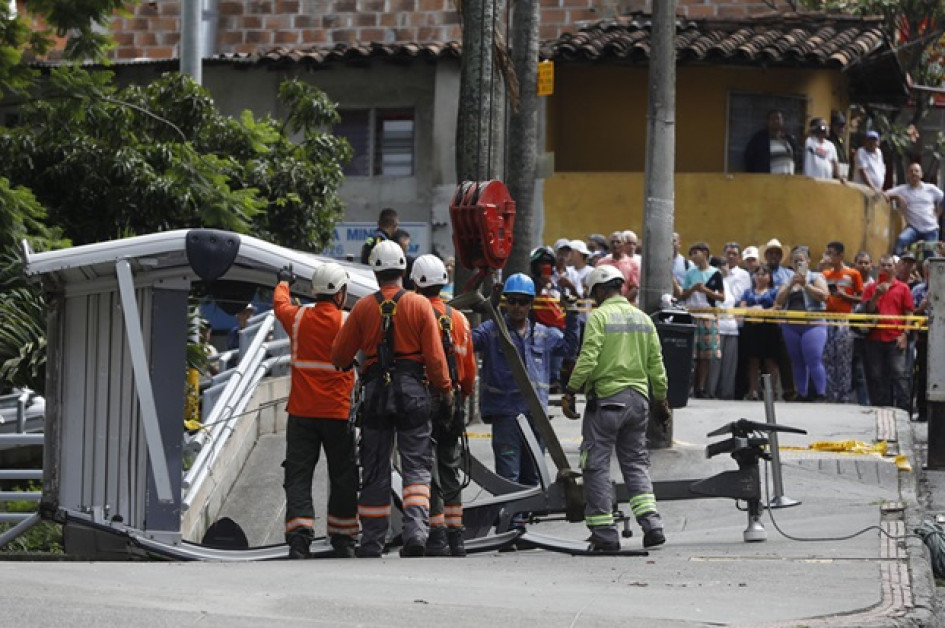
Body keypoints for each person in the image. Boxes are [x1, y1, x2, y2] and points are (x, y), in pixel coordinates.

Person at [331, 240, 453, 558]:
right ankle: (416, 534)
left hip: (376, 394)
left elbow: (339, 356)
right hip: (413, 392)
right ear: (403, 270)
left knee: (375, 466)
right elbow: (435, 358)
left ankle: (372, 541)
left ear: (375, 273)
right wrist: (445, 391)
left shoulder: (363, 308)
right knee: (417, 467)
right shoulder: (420, 305)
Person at [564, 265, 670, 551]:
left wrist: (571, 389)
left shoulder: (599, 317)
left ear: (600, 290)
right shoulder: (643, 319)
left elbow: (588, 357)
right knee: (636, 463)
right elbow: (657, 365)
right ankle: (652, 525)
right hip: (639, 402)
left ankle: (604, 533)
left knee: (595, 464)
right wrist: (660, 400)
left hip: (607, 402)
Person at [273, 262, 358, 559]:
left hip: (302, 413)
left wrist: (283, 282)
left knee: (298, 475)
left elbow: (280, 305)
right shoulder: (348, 321)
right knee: (343, 476)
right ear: (340, 293)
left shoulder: (297, 318)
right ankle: (343, 538)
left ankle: (299, 539)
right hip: (338, 413)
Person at [472, 273, 578, 490]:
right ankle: (510, 514)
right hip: (506, 415)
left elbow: (569, 348)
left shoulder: (544, 335)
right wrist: (487, 307)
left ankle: (526, 511)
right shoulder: (492, 331)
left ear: (531, 304)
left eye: (522, 301)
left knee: (533, 476)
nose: (517, 307)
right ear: (505, 302)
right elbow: (468, 341)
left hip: (535, 416)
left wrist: (572, 313)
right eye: (512, 301)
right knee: (508, 477)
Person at [410, 255, 477, 557]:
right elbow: (469, 368)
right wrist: (463, 396)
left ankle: (435, 534)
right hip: (453, 401)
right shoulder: (460, 319)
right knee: (450, 466)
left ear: (415, 283)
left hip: (422, 398)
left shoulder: (412, 314)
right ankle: (456, 537)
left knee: (424, 466)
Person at [859, 254, 914, 412]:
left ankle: (904, 410)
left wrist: (905, 334)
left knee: (900, 374)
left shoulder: (903, 288)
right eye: (883, 265)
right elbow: (867, 311)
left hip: (895, 337)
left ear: (895, 268)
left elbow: (909, 313)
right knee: (876, 376)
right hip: (874, 338)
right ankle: (881, 410)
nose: (886, 268)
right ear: (878, 268)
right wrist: (877, 295)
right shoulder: (871, 288)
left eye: (889, 265)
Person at [774, 246, 829, 401]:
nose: (798, 264)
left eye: (801, 261)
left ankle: (821, 392)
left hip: (813, 324)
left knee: (814, 358)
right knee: (797, 361)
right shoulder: (787, 280)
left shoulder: (815, 277)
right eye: (795, 261)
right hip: (791, 326)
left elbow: (824, 296)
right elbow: (779, 300)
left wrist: (806, 285)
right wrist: (791, 285)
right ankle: (802, 393)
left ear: (808, 261)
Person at [675, 242, 724, 398]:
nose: (693, 257)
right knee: (692, 354)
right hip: (692, 315)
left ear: (705, 253)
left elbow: (721, 296)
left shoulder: (716, 273)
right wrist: (693, 289)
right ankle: (688, 385)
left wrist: (705, 290)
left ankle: (701, 387)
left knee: (705, 355)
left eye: (695, 253)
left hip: (708, 315)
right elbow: (683, 295)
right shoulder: (690, 273)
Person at [820, 241, 863, 403]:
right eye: (827, 253)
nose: (828, 257)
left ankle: (844, 395)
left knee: (844, 358)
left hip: (844, 319)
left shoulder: (853, 274)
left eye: (831, 254)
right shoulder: (824, 274)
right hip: (827, 318)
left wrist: (844, 296)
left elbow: (861, 298)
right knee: (828, 357)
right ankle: (830, 394)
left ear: (840, 256)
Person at [738, 266, 781, 401]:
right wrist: (753, 310)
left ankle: (771, 391)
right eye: (758, 274)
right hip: (752, 328)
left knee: (770, 360)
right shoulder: (748, 292)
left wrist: (763, 312)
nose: (760, 277)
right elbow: (742, 307)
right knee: (753, 360)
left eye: (764, 274)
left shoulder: (774, 291)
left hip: (769, 328)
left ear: (769, 277)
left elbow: (777, 307)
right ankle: (753, 390)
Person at [885, 163, 943, 254]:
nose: (914, 173)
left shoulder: (931, 189)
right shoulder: (903, 190)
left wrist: (938, 214)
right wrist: (897, 196)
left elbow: (943, 199)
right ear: (907, 175)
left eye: (916, 171)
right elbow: (885, 194)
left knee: (930, 255)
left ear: (921, 174)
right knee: (901, 240)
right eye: (911, 171)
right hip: (914, 228)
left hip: (930, 229)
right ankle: (896, 261)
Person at [744, 109, 800, 174]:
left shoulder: (789, 139)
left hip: (788, 178)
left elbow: (796, 159)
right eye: (772, 119)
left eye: (778, 118)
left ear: (782, 121)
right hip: (767, 179)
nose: (776, 121)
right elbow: (749, 160)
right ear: (767, 122)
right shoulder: (759, 139)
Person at [596, 231, 640, 302]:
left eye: (618, 242)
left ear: (624, 244)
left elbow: (635, 288)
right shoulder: (602, 263)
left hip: (626, 304)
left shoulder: (633, 264)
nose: (615, 244)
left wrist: (621, 302)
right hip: (605, 303)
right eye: (612, 242)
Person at [828, 112, 849, 177]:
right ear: (832, 126)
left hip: (843, 171)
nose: (841, 129)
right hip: (833, 172)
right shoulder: (828, 139)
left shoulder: (841, 140)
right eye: (838, 126)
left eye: (842, 126)